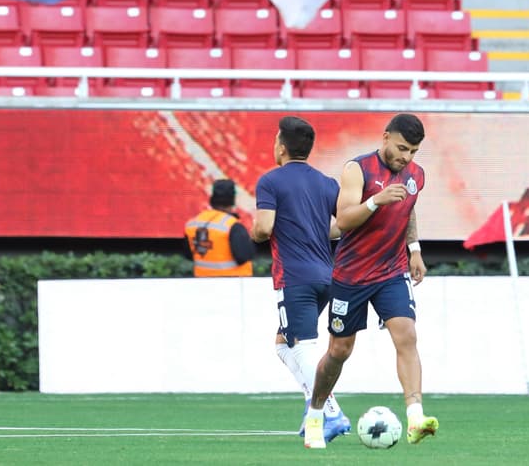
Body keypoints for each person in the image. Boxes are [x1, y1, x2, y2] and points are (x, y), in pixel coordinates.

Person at [305, 113, 437, 449]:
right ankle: (316, 414)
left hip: (391, 271)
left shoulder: (416, 176)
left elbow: (408, 210)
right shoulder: (357, 169)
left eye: (413, 152)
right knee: (339, 351)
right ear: (385, 137)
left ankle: (416, 417)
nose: (406, 157)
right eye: (402, 148)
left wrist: (414, 248)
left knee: (406, 335)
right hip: (351, 274)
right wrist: (375, 200)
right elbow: (345, 220)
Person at [250, 116, 349, 444]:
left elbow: (264, 228)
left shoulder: (271, 181)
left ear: (280, 145)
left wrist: (255, 230)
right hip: (326, 275)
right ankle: (313, 403)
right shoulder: (326, 183)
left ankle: (330, 411)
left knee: (301, 346)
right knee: (283, 342)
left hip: (293, 276)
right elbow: (343, 226)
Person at [184, 179, 254, 277]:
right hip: (234, 283)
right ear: (233, 200)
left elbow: (189, 255)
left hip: (202, 283)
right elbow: (244, 256)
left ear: (212, 198)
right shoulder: (233, 225)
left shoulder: (193, 224)